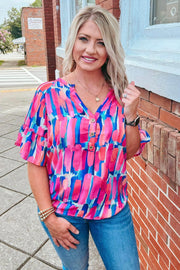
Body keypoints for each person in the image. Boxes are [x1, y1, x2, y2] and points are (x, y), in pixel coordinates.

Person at [15, 5, 150, 270]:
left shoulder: (120, 94)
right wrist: (48, 216)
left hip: (112, 210)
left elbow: (130, 152)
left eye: (101, 43)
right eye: (84, 39)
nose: (90, 50)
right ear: (73, 41)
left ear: (110, 49)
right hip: (65, 212)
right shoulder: (48, 95)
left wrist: (130, 116)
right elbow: (35, 161)